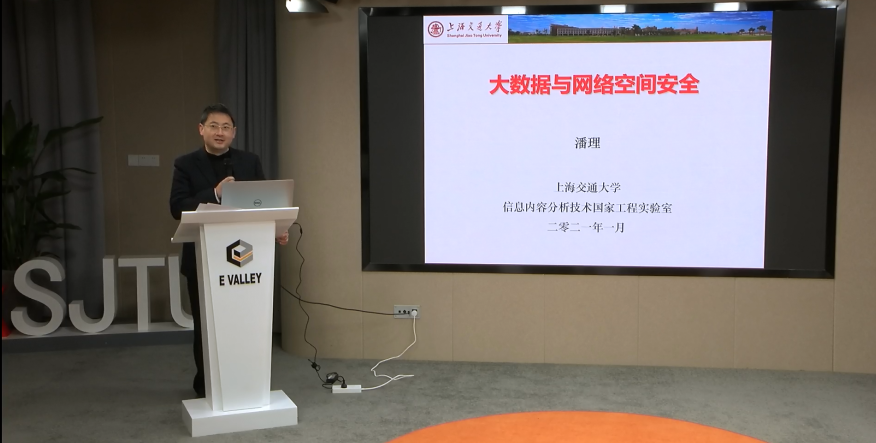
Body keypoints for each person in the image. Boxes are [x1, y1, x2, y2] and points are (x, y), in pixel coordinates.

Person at [169, 103, 288, 397]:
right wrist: (215, 193)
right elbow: (177, 207)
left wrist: (276, 228)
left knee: (246, 324)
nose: (220, 132)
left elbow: (265, 203)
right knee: (208, 326)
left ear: (234, 132)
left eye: (226, 127)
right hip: (204, 260)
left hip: (249, 260)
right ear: (201, 130)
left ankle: (248, 385)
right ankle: (207, 388)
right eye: (214, 126)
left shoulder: (249, 161)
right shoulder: (185, 164)